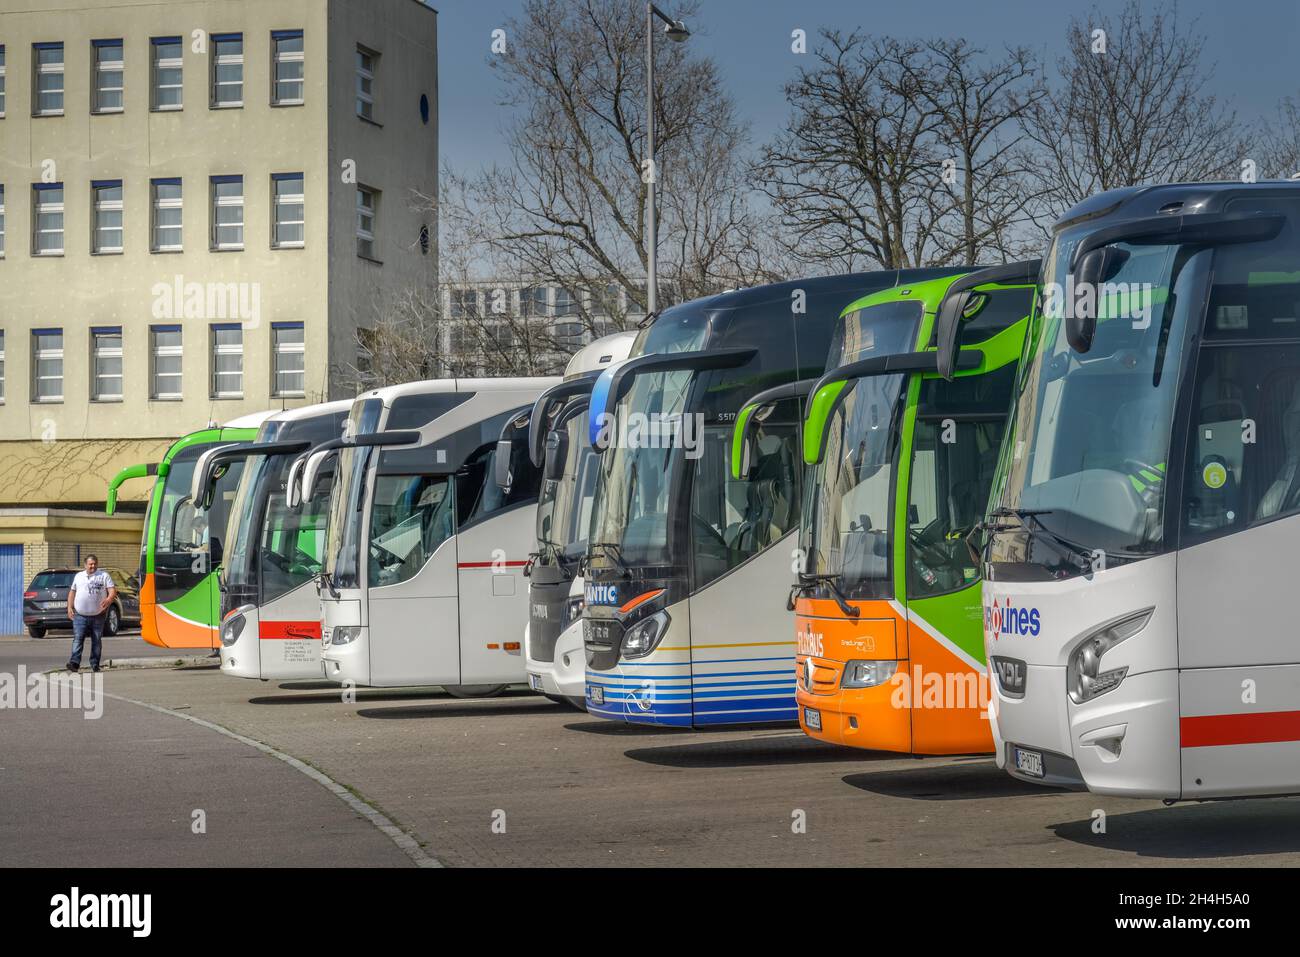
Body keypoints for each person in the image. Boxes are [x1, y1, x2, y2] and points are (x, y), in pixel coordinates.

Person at [67, 554, 116, 673]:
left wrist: (109, 599)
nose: (92, 566)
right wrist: (69, 607)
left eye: (94, 564)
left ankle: (95, 664)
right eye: (90, 564)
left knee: (96, 639)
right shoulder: (78, 576)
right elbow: (72, 592)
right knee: (78, 639)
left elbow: (112, 591)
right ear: (85, 565)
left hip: (98, 615)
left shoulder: (104, 576)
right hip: (80, 615)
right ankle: (74, 663)